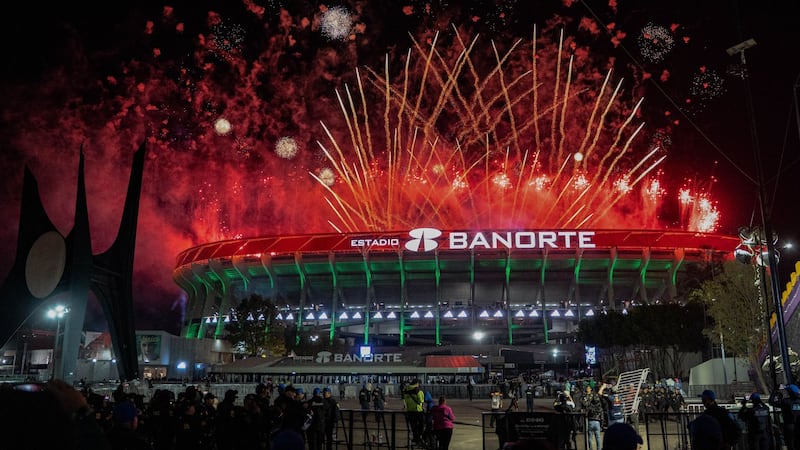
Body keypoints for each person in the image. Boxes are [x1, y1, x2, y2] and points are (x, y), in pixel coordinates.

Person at [770, 384, 800, 450]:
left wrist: (775, 391)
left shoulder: (786, 401)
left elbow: (772, 402)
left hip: (789, 426)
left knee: (790, 444)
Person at [403, 379, 425, 444]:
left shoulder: (406, 390)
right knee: (421, 425)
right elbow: (421, 400)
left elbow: (405, 400)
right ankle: (419, 438)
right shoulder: (418, 390)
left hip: (409, 410)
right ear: (417, 383)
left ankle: (415, 438)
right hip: (418, 410)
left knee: (413, 426)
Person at [584, 385, 603, 450]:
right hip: (597, 421)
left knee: (590, 437)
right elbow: (601, 414)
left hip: (590, 421)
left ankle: (591, 449)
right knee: (598, 437)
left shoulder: (590, 405)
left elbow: (587, 411)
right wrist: (602, 424)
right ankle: (599, 449)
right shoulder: (599, 406)